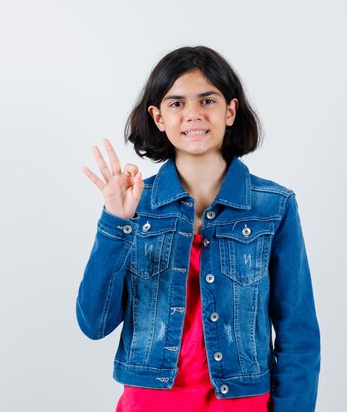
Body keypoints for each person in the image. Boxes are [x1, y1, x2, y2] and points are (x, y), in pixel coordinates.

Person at [76, 46, 320, 412]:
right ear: (158, 118)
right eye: (176, 104)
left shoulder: (274, 206)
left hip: (242, 404)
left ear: (230, 111)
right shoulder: (133, 205)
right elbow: (94, 323)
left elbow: (298, 334)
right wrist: (116, 223)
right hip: (150, 403)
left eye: (207, 100)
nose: (193, 114)